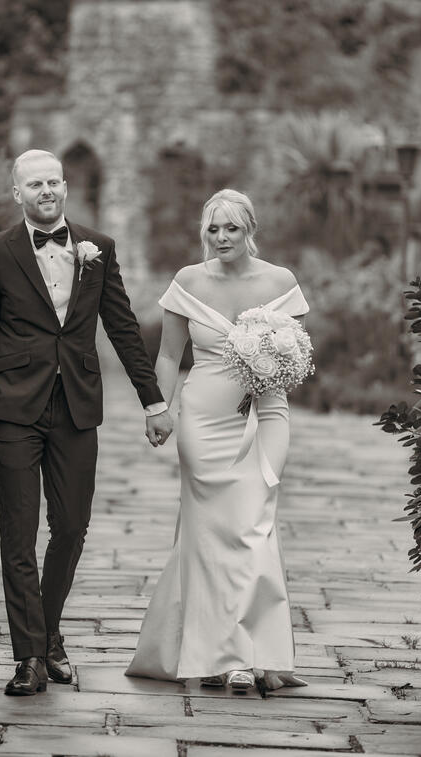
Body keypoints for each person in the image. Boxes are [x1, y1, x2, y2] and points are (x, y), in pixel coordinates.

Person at [0, 149, 174, 696]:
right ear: (17, 193)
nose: (47, 190)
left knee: (73, 526)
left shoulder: (97, 249)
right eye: (35, 184)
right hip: (13, 409)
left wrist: (153, 401)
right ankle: (29, 657)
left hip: (76, 407)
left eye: (54, 181)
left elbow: (123, 327)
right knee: (17, 534)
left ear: (65, 187)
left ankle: (48, 632)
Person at [126, 188, 309, 692]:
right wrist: (158, 408)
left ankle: (265, 654)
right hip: (204, 421)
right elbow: (168, 356)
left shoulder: (281, 281)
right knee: (210, 535)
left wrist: (274, 360)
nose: (221, 237)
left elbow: (295, 356)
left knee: (255, 525)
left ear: (250, 228)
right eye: (213, 228)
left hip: (267, 415)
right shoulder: (188, 281)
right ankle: (227, 657)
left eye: (231, 227)